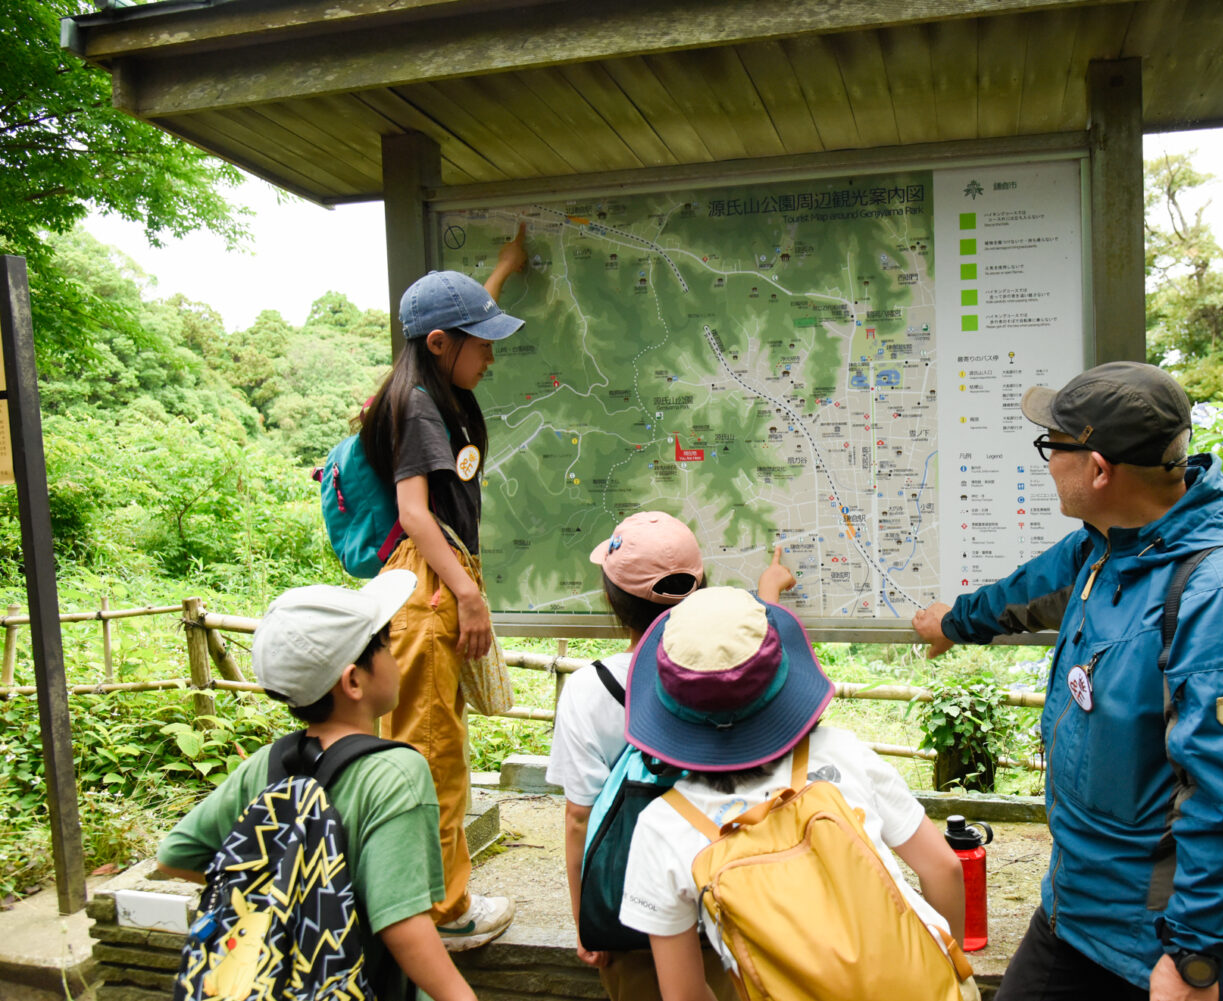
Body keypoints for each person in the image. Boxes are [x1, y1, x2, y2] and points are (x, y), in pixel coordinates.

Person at [912, 361, 1223, 1001]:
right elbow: (1029, 592)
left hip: (1158, 940)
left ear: (1097, 469)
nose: (1045, 464)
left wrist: (1194, 958)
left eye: (1051, 448)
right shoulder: (1107, 546)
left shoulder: (1220, 600)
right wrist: (954, 622)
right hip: (1075, 905)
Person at [618, 586, 967, 1001]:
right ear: (781, 680)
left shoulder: (663, 826)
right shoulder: (843, 753)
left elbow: (685, 994)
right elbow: (944, 868)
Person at [157, 573, 480, 1001]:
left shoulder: (266, 765)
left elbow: (176, 854)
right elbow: (403, 926)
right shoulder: (396, 773)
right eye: (383, 644)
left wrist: (285, 893)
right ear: (353, 681)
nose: (394, 653)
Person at [357, 225, 529, 949]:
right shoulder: (422, 407)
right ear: (437, 343)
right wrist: (468, 594)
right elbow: (415, 513)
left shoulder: (422, 378)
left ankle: (423, 898)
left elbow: (457, 318)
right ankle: (443, 911)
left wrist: (503, 271)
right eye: (480, 340)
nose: (490, 354)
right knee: (432, 753)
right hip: (430, 583)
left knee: (432, 741)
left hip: (432, 581)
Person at [546, 512, 795, 1001]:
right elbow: (754, 656)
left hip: (636, 919)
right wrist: (769, 596)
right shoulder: (737, 670)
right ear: (701, 586)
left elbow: (579, 818)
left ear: (611, 599)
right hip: (735, 898)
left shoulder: (589, 690)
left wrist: (586, 921)